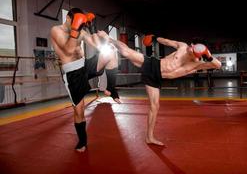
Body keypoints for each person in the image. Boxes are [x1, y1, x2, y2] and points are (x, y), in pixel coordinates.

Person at [97, 31, 222, 146]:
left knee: (155, 106)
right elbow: (167, 41)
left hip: (156, 79)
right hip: (153, 65)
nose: (190, 47)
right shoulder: (183, 47)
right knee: (125, 52)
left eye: (193, 47)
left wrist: (209, 56)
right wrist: (155, 38)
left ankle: (149, 137)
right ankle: (109, 39)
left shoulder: (198, 64)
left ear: (199, 51)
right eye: (191, 45)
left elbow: (218, 65)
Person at [50, 8, 120, 152]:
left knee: (111, 52)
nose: (79, 25)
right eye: (75, 21)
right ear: (69, 19)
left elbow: (97, 46)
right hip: (72, 73)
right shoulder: (56, 30)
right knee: (79, 111)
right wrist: (76, 28)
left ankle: (111, 88)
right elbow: (68, 50)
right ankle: (82, 141)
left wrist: (91, 27)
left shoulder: (81, 31)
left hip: (84, 65)